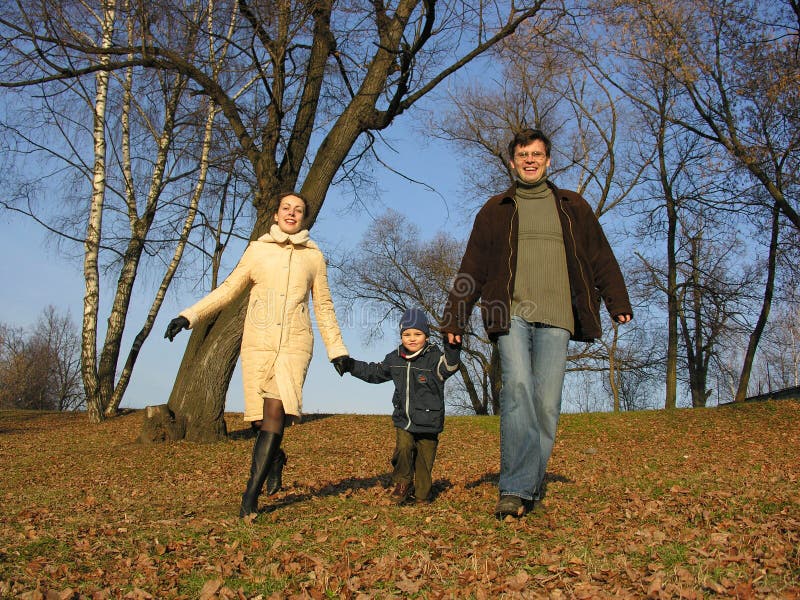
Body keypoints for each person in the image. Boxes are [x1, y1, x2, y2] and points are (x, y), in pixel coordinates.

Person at [441, 128, 632, 519]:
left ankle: (530, 482)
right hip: (509, 312)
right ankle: (513, 489)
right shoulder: (496, 209)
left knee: (546, 403)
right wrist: (455, 314)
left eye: (537, 154)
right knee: (518, 390)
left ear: (548, 160)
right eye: (523, 154)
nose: (530, 160)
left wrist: (617, 300)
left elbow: (600, 255)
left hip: (559, 315)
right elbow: (472, 265)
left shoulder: (572, 206)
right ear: (513, 162)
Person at [164, 192, 351, 519]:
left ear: (304, 219)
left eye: (298, 210)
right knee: (259, 422)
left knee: (276, 413)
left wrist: (337, 351)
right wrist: (189, 316)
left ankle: (250, 496)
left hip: (294, 345)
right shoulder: (257, 250)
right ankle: (275, 458)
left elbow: (323, 306)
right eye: (286, 208)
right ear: (277, 214)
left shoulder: (314, 257)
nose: (291, 214)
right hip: (258, 343)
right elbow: (228, 289)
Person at [334, 308, 461, 505]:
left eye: (417, 334)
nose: (412, 339)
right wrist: (350, 365)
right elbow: (374, 372)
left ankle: (422, 495)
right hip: (404, 419)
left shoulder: (434, 357)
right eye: (406, 334)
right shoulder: (394, 359)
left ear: (426, 336)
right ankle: (403, 483)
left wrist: (452, 346)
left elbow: (450, 366)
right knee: (403, 449)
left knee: (424, 463)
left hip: (429, 421)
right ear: (401, 336)